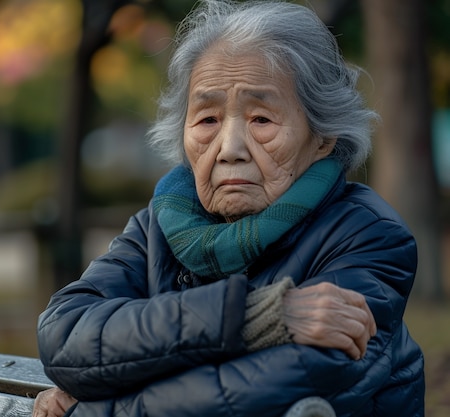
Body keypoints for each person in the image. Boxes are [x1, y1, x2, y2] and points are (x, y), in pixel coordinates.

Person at [34, 0, 425, 416]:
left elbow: (263, 395)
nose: (230, 149)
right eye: (207, 120)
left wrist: (96, 406)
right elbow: (65, 337)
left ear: (322, 137)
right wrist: (256, 317)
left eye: (261, 119)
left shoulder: (369, 235)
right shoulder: (159, 228)